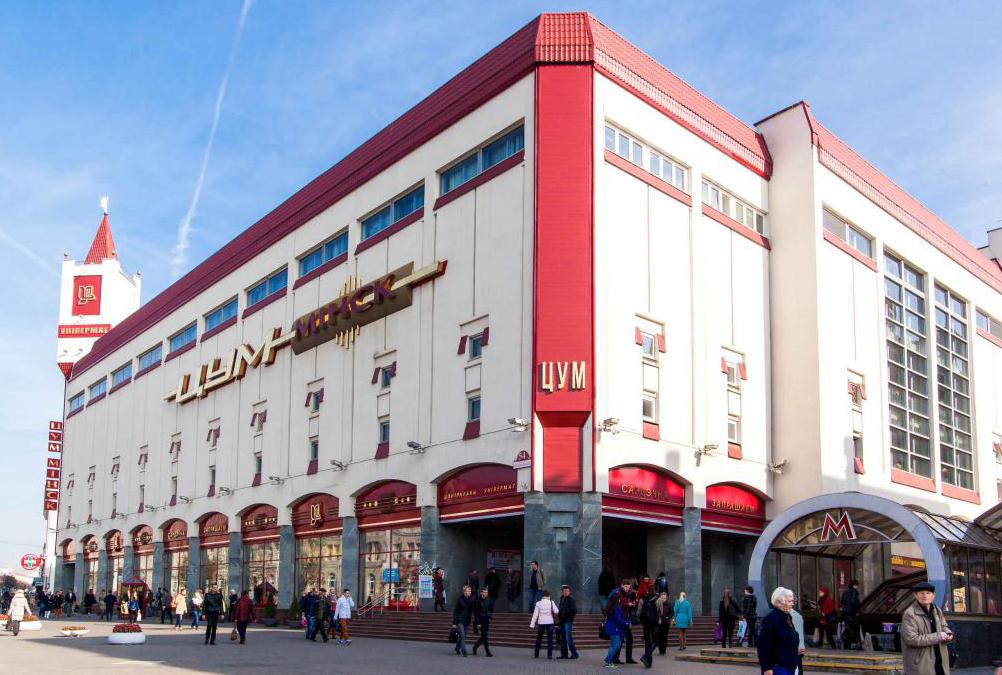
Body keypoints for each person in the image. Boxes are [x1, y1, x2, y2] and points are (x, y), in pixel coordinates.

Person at [902, 581, 953, 675]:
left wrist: (948, 634)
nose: (925, 596)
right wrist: (938, 636)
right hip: (921, 664)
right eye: (921, 593)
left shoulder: (937, 610)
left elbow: (943, 626)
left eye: (928, 593)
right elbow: (911, 639)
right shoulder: (910, 614)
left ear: (933, 595)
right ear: (916, 595)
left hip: (940, 661)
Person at [757, 587, 801, 675]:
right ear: (779, 603)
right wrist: (767, 667)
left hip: (789, 666)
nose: (792, 604)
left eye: (793, 601)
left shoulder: (787, 617)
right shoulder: (771, 619)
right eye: (789, 601)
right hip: (777, 668)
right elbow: (764, 645)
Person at [603, 587, 632, 669]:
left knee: (617, 644)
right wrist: (627, 623)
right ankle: (609, 661)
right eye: (619, 599)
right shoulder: (615, 608)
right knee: (615, 645)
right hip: (614, 629)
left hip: (614, 628)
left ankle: (608, 658)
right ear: (617, 600)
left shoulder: (614, 607)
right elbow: (619, 620)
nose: (620, 600)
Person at [611, 580, 638, 664]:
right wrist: (627, 604)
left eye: (628, 587)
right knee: (621, 640)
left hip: (626, 619)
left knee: (630, 638)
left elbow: (626, 606)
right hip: (620, 620)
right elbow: (617, 606)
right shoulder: (618, 594)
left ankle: (628, 658)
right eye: (626, 587)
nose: (627, 588)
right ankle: (615, 658)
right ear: (622, 585)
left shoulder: (628, 594)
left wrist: (632, 604)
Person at [529, 588, 559, 659]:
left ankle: (536, 654)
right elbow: (556, 611)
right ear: (549, 595)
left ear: (542, 596)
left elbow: (535, 615)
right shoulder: (551, 602)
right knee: (550, 639)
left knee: (539, 638)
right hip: (550, 623)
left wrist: (532, 624)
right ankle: (549, 655)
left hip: (541, 623)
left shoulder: (538, 603)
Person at [638, 583, 660, 668]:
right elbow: (660, 612)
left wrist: (641, 620)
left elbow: (638, 612)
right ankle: (646, 657)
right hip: (654, 624)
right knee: (655, 641)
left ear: (647, 590)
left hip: (646, 624)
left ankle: (648, 662)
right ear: (654, 591)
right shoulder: (658, 600)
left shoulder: (642, 599)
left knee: (647, 642)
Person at [451, 584, 475, 657]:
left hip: (467, 621)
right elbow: (456, 612)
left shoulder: (471, 600)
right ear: (464, 592)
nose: (470, 592)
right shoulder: (460, 600)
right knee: (462, 636)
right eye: (468, 591)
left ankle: (457, 648)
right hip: (460, 621)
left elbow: (473, 609)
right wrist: (454, 622)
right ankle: (464, 651)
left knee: (463, 636)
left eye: (470, 591)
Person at [557, 584, 579, 660]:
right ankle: (564, 654)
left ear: (569, 592)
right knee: (562, 638)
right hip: (562, 621)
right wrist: (559, 617)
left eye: (567, 591)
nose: (566, 592)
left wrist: (568, 617)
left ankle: (574, 654)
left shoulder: (571, 599)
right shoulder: (562, 598)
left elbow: (574, 611)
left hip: (568, 621)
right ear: (562, 592)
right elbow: (560, 609)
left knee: (568, 638)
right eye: (564, 591)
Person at [840, 580, 862, 650]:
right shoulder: (854, 592)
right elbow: (854, 603)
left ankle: (847, 645)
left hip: (845, 613)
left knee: (848, 628)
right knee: (855, 629)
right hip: (852, 613)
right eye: (857, 585)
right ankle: (857, 643)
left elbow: (842, 602)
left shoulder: (845, 592)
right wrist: (857, 611)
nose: (857, 587)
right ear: (854, 585)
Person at [472, 587, 493, 656]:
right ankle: (487, 652)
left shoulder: (488, 600)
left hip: (486, 620)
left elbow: (489, 610)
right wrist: (478, 623)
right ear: (481, 593)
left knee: (484, 636)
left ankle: (475, 647)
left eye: (486, 592)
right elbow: (476, 613)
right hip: (480, 621)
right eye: (484, 592)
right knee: (485, 636)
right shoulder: (477, 601)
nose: (485, 594)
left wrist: (490, 617)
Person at [790, 594, 807, 674]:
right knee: (798, 667)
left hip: (793, 648)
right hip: (798, 647)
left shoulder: (792, 616)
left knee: (796, 668)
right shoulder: (797, 615)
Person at [655, 590, 673, 655]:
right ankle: (660, 650)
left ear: (666, 598)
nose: (663, 599)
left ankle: (664, 650)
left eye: (664, 598)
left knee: (664, 637)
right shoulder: (658, 603)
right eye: (662, 598)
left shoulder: (669, 604)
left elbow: (671, 612)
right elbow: (655, 612)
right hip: (659, 623)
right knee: (660, 636)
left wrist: (668, 617)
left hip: (666, 623)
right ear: (660, 597)